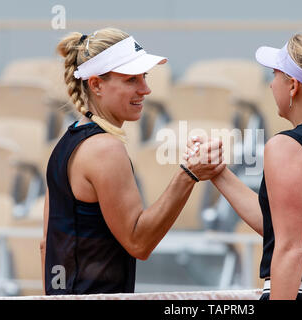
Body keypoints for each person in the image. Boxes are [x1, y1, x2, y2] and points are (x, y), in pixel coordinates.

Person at [186, 34, 302, 300]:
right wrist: (218, 172)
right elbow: (281, 226)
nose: (271, 86)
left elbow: (290, 249)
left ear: (293, 86)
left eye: (275, 75)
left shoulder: (286, 147)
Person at [40, 27, 225, 295]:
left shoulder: (65, 144)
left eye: (144, 77)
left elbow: (46, 244)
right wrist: (188, 175)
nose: (146, 89)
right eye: (131, 80)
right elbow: (139, 242)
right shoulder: (105, 149)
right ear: (96, 84)